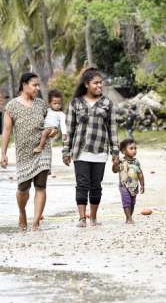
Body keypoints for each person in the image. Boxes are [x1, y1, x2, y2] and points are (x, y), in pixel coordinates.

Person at [63, 67, 119, 227]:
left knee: (96, 186)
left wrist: (115, 152)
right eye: (96, 83)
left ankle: (93, 218)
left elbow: (112, 129)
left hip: (100, 151)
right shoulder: (75, 103)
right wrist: (66, 151)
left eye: (101, 83)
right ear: (87, 84)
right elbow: (69, 130)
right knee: (82, 184)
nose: (99, 86)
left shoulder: (107, 103)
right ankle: (82, 218)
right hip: (80, 152)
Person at [1, 72, 56, 231]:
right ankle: (22, 212)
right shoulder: (11, 106)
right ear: (24, 85)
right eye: (34, 85)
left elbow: (52, 127)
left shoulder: (42, 105)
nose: (37, 88)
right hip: (24, 153)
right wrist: (3, 154)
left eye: (38, 85)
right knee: (23, 189)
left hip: (43, 150)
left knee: (41, 186)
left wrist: (53, 132)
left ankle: (36, 222)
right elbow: (6, 131)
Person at [113, 138, 144, 224]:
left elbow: (140, 173)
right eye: (131, 148)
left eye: (135, 148)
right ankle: (128, 218)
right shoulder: (121, 161)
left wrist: (142, 185)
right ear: (123, 151)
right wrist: (115, 164)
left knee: (132, 202)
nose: (134, 150)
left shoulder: (136, 162)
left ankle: (129, 216)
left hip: (134, 186)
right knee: (126, 201)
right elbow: (115, 170)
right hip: (124, 186)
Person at [33, 89, 67, 154]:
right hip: (45, 127)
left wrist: (64, 134)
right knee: (41, 133)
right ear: (50, 103)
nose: (57, 105)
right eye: (55, 103)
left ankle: (40, 147)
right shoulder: (48, 110)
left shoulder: (61, 114)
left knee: (44, 133)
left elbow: (63, 124)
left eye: (59, 103)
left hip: (52, 127)